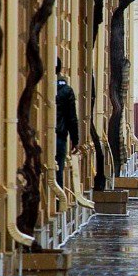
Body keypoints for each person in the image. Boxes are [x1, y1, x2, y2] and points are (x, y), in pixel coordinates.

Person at [54, 59, 79, 187]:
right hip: (60, 137)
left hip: (43, 137)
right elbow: (72, 118)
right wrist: (75, 140)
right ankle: (58, 204)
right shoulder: (66, 90)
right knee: (58, 172)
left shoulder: (42, 87)